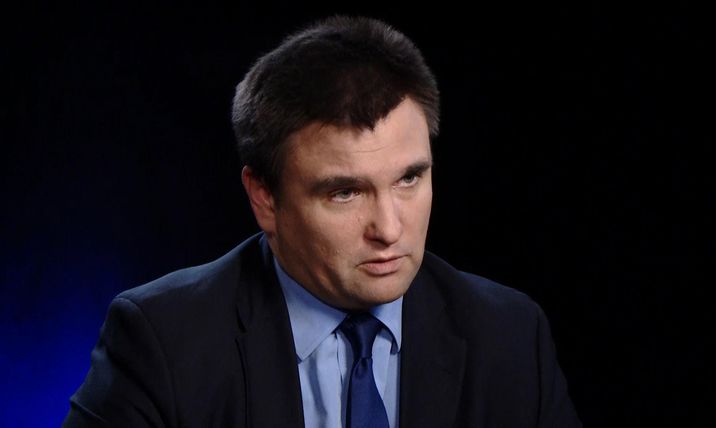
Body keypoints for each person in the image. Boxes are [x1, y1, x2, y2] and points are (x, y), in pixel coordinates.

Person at [64, 16, 582, 428]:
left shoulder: (510, 337)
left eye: (409, 179)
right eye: (345, 192)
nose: (389, 229)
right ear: (264, 198)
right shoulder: (161, 344)